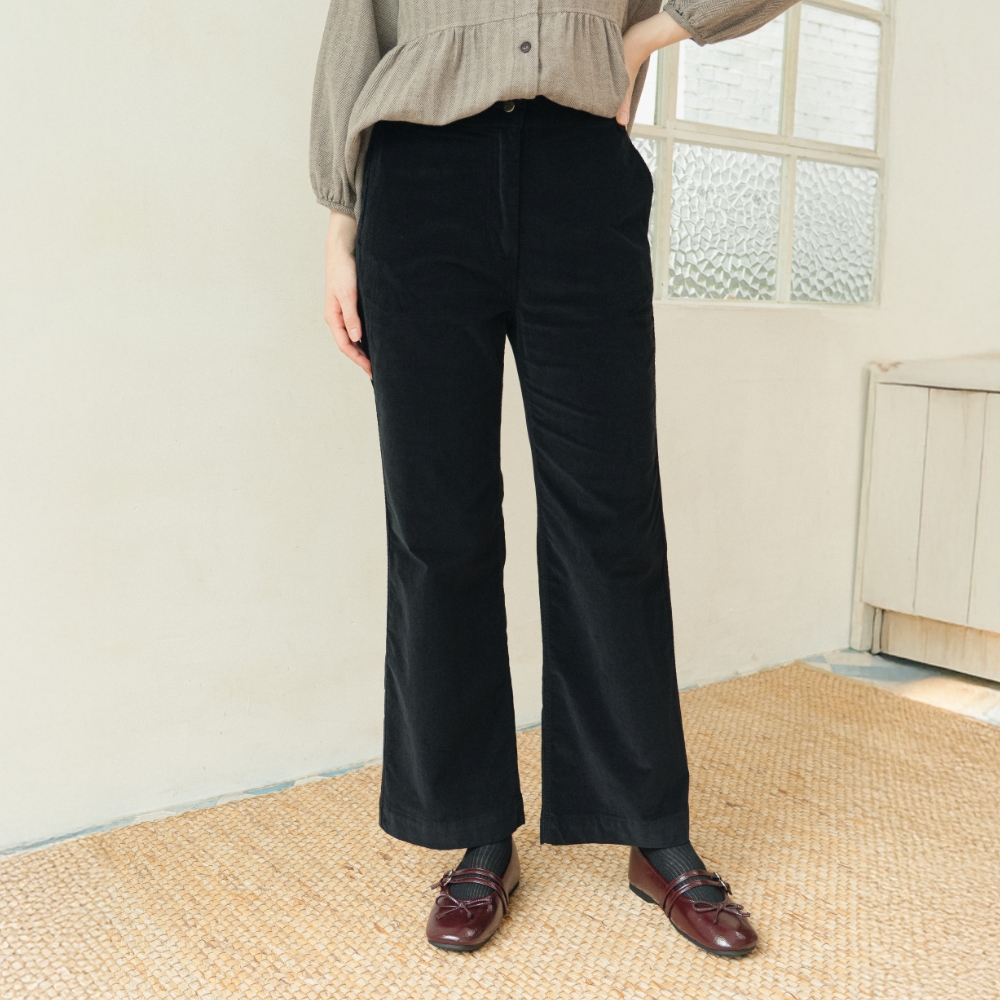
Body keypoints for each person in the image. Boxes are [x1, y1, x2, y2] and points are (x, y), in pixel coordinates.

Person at [311, 0, 795, 957]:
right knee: (438, 525)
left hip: (580, 169)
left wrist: (646, 35)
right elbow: (354, 25)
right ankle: (477, 829)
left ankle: (651, 829)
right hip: (418, 177)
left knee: (611, 517)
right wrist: (340, 224)